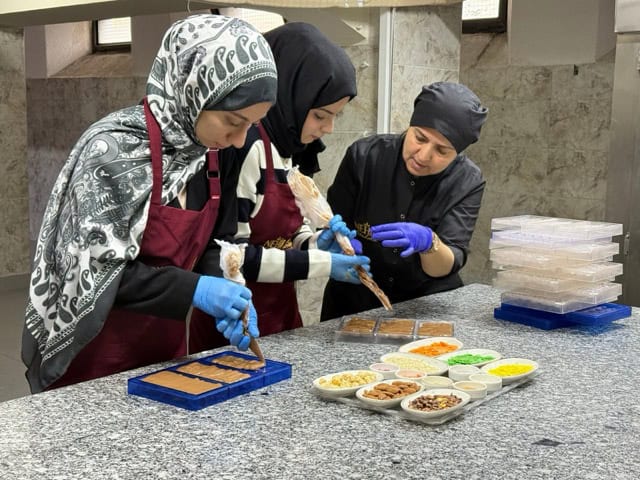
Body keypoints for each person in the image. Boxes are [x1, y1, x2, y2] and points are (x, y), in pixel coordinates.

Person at [22, 14, 279, 393]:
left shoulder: (207, 153)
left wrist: (226, 290)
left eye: (252, 125)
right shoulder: (110, 152)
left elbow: (211, 243)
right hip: (97, 358)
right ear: (192, 90)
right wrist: (196, 290)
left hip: (165, 358)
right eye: (232, 121)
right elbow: (97, 273)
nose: (240, 140)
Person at [188, 22, 370, 342]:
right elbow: (233, 255)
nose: (328, 128)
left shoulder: (288, 147)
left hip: (281, 315)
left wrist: (314, 242)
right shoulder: (248, 147)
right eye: (320, 115)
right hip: (234, 318)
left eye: (335, 116)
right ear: (292, 94)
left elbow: (286, 233)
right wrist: (321, 263)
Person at [320, 81, 489, 320]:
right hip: (355, 298)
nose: (424, 156)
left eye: (442, 151)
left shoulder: (467, 181)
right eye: (419, 138)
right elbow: (331, 222)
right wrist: (339, 244)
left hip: (426, 305)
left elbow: (448, 263)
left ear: (457, 153)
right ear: (410, 126)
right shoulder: (364, 157)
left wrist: (430, 244)